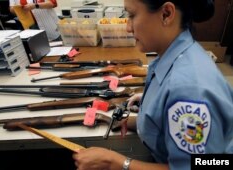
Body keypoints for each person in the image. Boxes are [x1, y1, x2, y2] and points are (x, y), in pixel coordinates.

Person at [73, 0, 233, 170]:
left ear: (166, 14)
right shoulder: (170, 56)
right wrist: (148, 112)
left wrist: (116, 162)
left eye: (132, 15)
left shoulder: (189, 92)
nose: (128, 27)